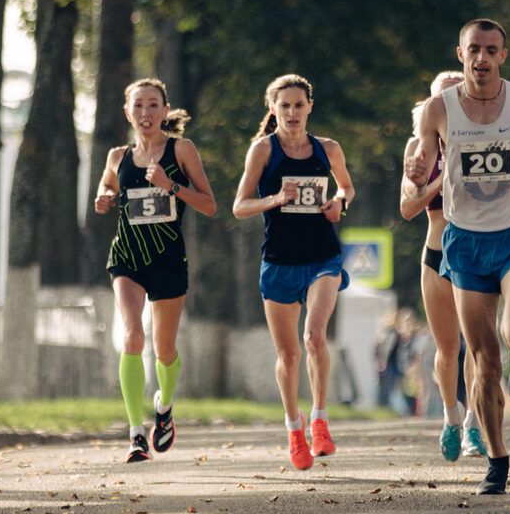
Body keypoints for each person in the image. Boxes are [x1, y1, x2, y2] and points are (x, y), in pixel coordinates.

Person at [406, 19, 510, 495]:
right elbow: (420, 163)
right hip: (464, 241)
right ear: (460, 55)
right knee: (483, 360)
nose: (481, 58)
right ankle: (497, 460)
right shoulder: (438, 110)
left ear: (503, 56)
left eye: (490, 50)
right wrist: (418, 170)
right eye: (473, 49)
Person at [233, 74, 355, 470]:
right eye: (284, 106)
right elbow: (239, 206)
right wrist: (274, 199)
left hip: (323, 258)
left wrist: (340, 202)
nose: (291, 112)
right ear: (273, 109)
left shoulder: (328, 149)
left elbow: (347, 188)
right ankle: (293, 428)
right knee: (288, 354)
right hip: (279, 262)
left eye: (298, 105)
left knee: (314, 336)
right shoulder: (262, 151)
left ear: (309, 107)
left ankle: (319, 418)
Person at [93, 78, 217, 463]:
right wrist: (103, 199)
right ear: (127, 112)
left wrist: (171, 186)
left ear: (165, 111)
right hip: (128, 257)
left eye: (153, 105)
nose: (145, 113)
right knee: (132, 337)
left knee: (164, 350)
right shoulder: (117, 156)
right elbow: (105, 190)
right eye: (138, 106)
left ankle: (163, 406)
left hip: (167, 258)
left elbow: (210, 205)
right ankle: (135, 434)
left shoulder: (181, 150)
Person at [399, 70, 490, 460]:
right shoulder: (417, 150)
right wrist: (442, 180)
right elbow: (406, 207)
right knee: (447, 348)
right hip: (436, 253)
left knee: (477, 346)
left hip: (476, 251)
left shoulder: (487, 138)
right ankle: (451, 419)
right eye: (443, 99)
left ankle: (473, 425)